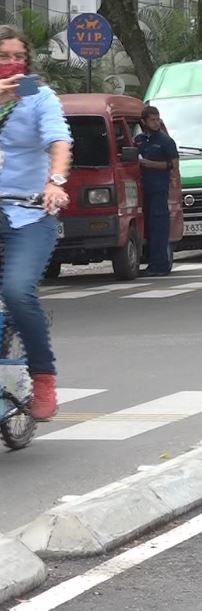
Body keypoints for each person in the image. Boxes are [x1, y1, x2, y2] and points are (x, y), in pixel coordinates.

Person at [0, 25, 72, 421]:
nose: (12, 64)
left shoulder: (39, 97)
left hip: (29, 211)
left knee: (17, 290)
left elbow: (59, 141)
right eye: (3, 56)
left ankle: (43, 376)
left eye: (18, 56)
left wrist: (55, 181)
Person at [135, 106, 177, 276]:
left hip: (159, 189)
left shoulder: (166, 141)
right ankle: (152, 262)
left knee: (159, 227)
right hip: (142, 189)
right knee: (148, 228)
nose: (156, 122)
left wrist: (148, 164)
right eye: (152, 119)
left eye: (157, 119)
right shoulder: (139, 140)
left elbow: (173, 166)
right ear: (144, 122)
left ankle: (160, 265)